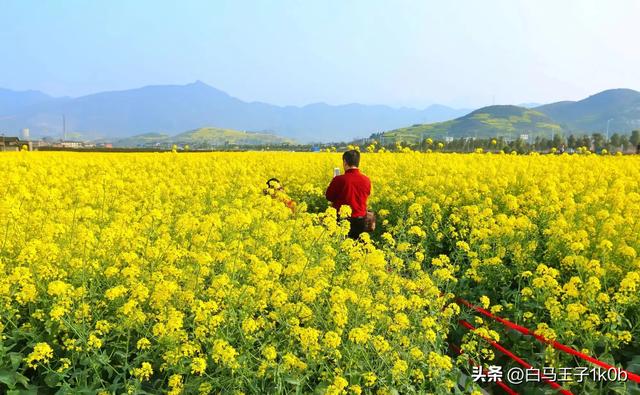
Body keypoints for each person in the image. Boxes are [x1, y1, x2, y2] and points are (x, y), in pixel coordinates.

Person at [325, 150, 371, 239]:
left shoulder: (339, 179)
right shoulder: (366, 180)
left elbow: (329, 197)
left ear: (345, 162)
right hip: (361, 220)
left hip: (342, 219)